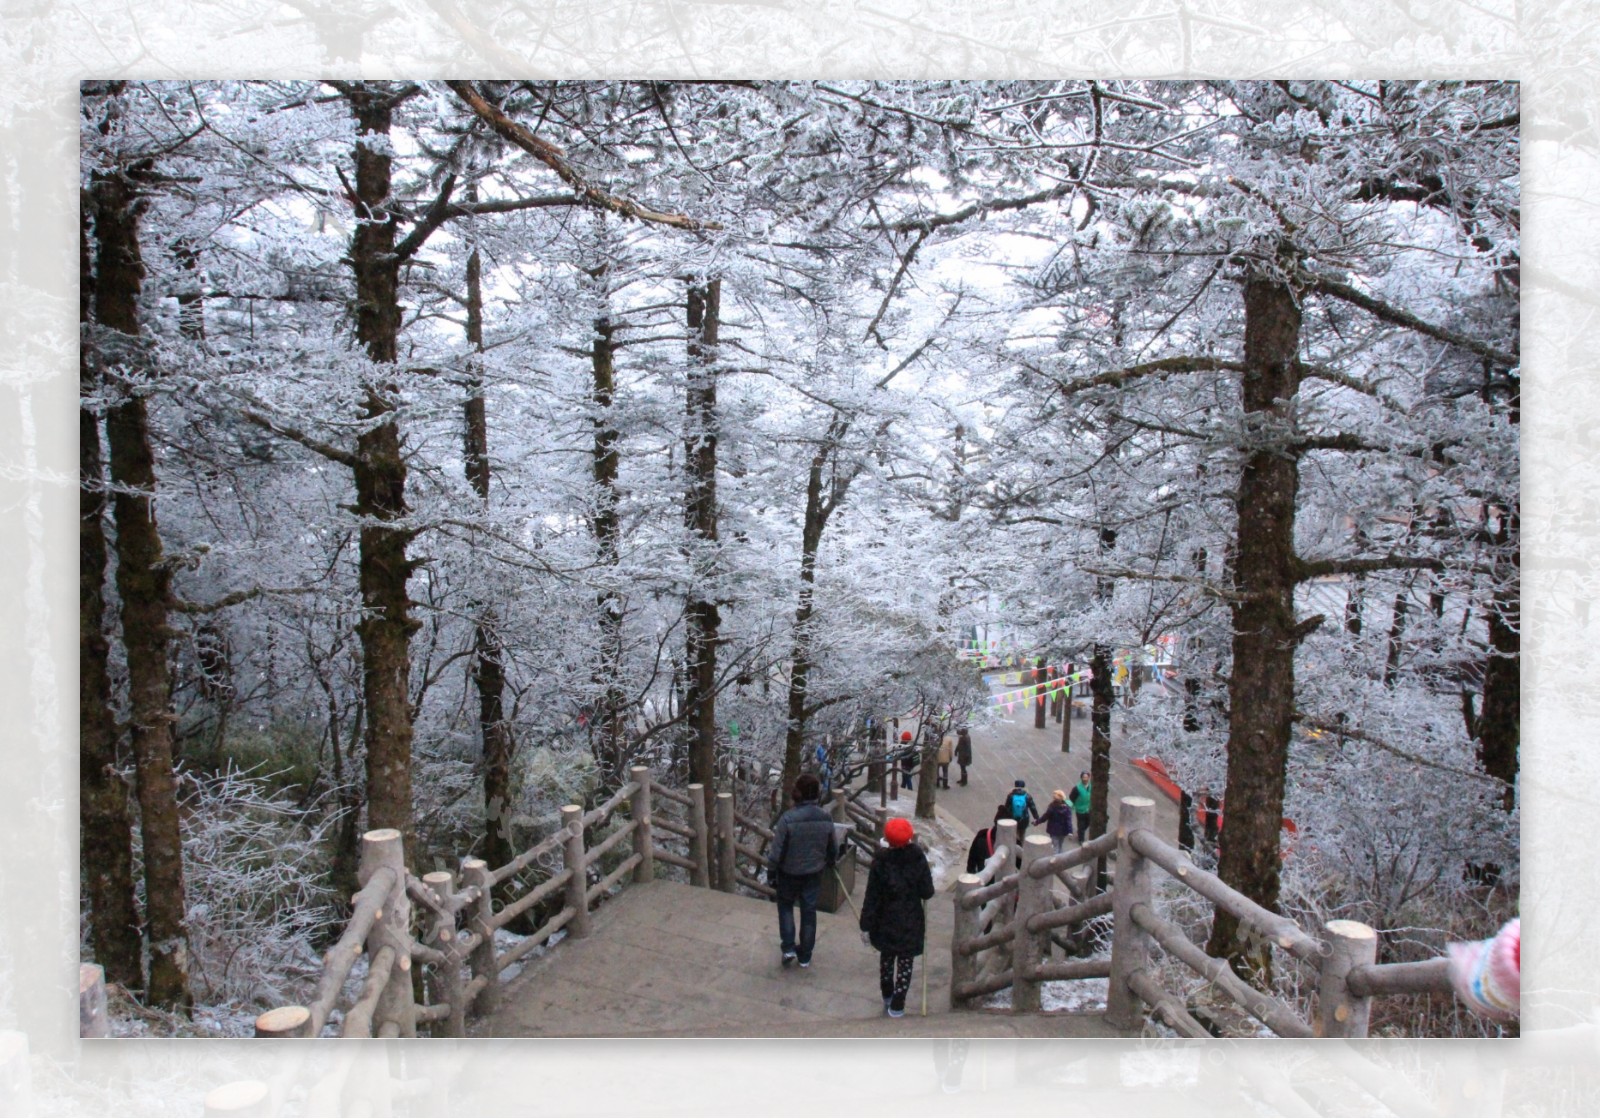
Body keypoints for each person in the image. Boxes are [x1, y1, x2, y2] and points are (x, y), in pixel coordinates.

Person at [859, 816, 935, 1018]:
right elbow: (927, 892)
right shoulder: (917, 858)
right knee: (905, 962)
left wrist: (865, 925)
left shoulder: (880, 862)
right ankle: (898, 1004)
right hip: (910, 920)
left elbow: (871, 896)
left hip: (885, 920)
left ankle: (887, 994)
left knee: (887, 957)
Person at [767, 773, 840, 968]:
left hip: (789, 872)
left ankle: (789, 947)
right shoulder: (825, 817)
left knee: (786, 907)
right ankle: (806, 954)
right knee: (809, 911)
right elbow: (832, 845)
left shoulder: (788, 819)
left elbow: (776, 851)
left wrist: (771, 872)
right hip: (814, 872)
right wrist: (831, 861)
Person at [1038, 789, 1074, 853]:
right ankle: (1061, 858)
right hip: (1063, 830)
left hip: (1053, 830)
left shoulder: (1052, 807)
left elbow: (1045, 817)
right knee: (1060, 845)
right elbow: (1069, 820)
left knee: (1055, 846)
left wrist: (1037, 822)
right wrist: (1070, 831)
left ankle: (1055, 860)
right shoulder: (1067, 808)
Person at [1069, 771, 1092, 840]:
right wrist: (1073, 805)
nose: (1085, 779)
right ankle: (1081, 839)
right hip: (1080, 810)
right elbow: (1071, 797)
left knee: (1088, 822)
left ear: (1089, 778)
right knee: (1081, 825)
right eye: (1083, 777)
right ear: (1081, 778)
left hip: (1089, 809)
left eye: (1086, 777)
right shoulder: (1077, 788)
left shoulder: (1091, 786)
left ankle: (1080, 832)